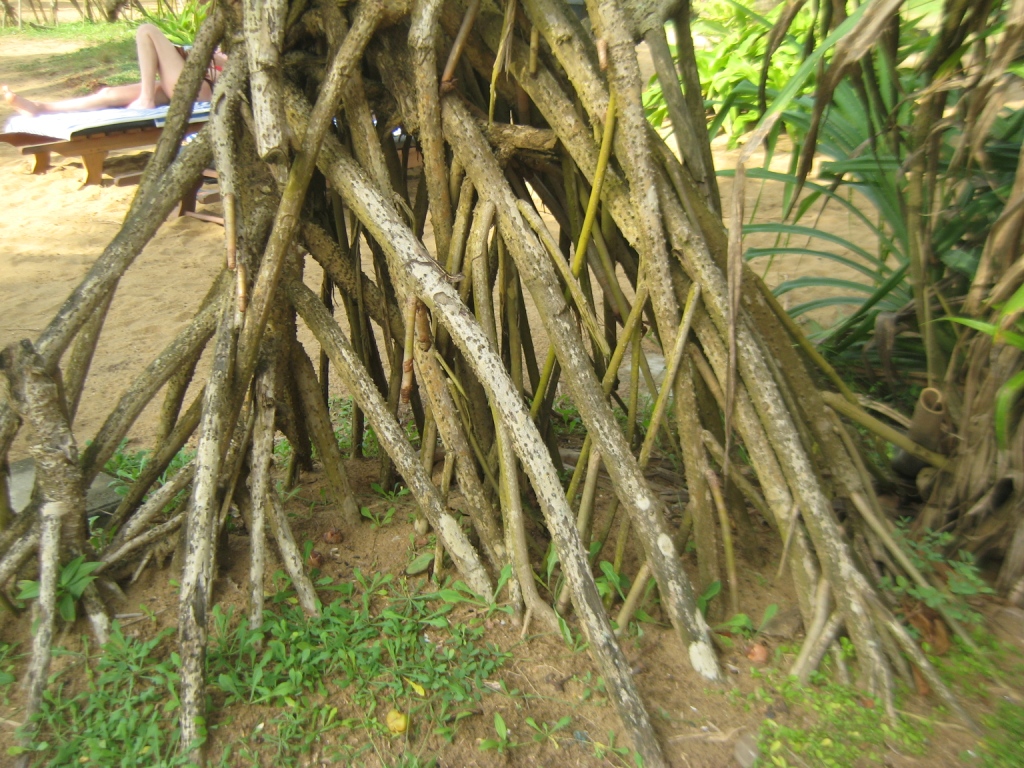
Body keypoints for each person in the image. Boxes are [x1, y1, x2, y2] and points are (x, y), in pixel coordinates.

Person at [2, 23, 224, 116]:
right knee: (108, 94)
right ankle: (41, 107)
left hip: (204, 87)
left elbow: (225, 65)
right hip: (189, 80)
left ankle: (146, 98)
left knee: (146, 30)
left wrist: (212, 56)